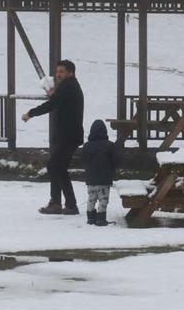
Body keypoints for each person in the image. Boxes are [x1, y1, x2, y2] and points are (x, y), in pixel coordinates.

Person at [22, 59, 85, 215]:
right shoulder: (69, 86)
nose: (58, 75)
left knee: (54, 165)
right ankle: (69, 204)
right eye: (57, 72)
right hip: (70, 135)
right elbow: (59, 101)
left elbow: (52, 104)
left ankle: (57, 203)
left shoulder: (68, 86)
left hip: (68, 135)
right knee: (59, 167)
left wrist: (31, 113)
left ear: (70, 73)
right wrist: (54, 95)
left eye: (62, 72)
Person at [81, 119, 120, 226]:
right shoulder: (110, 145)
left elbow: (83, 159)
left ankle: (90, 217)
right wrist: (112, 170)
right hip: (104, 179)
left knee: (91, 198)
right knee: (103, 199)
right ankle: (101, 218)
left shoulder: (87, 145)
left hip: (90, 179)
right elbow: (115, 161)